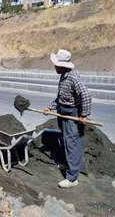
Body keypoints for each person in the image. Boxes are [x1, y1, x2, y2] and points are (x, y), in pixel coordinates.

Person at [43, 49, 91, 188]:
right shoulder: (63, 76)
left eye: (56, 65)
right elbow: (61, 97)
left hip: (73, 114)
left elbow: (86, 95)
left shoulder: (73, 77)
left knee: (72, 144)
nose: (54, 67)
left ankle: (72, 178)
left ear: (62, 66)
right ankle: (70, 166)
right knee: (65, 140)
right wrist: (50, 107)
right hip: (62, 112)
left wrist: (84, 115)